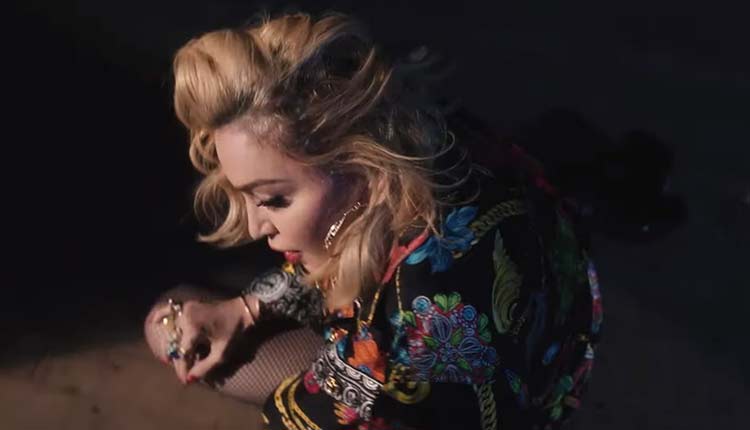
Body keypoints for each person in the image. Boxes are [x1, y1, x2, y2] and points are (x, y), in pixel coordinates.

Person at [144, 11, 603, 430]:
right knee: (174, 317)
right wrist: (244, 310)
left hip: (475, 394)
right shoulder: (408, 134)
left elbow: (330, 405)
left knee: (174, 324)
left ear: (363, 168)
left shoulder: (427, 315)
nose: (254, 226)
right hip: (446, 343)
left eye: (273, 199)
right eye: (245, 195)